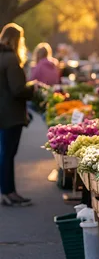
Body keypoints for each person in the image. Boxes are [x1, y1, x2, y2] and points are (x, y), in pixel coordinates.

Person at [0, 23, 35, 207]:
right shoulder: (11, 59)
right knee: (7, 154)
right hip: (11, 114)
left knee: (5, 153)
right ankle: (8, 192)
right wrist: (33, 88)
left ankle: (8, 191)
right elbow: (18, 89)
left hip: (3, 113)